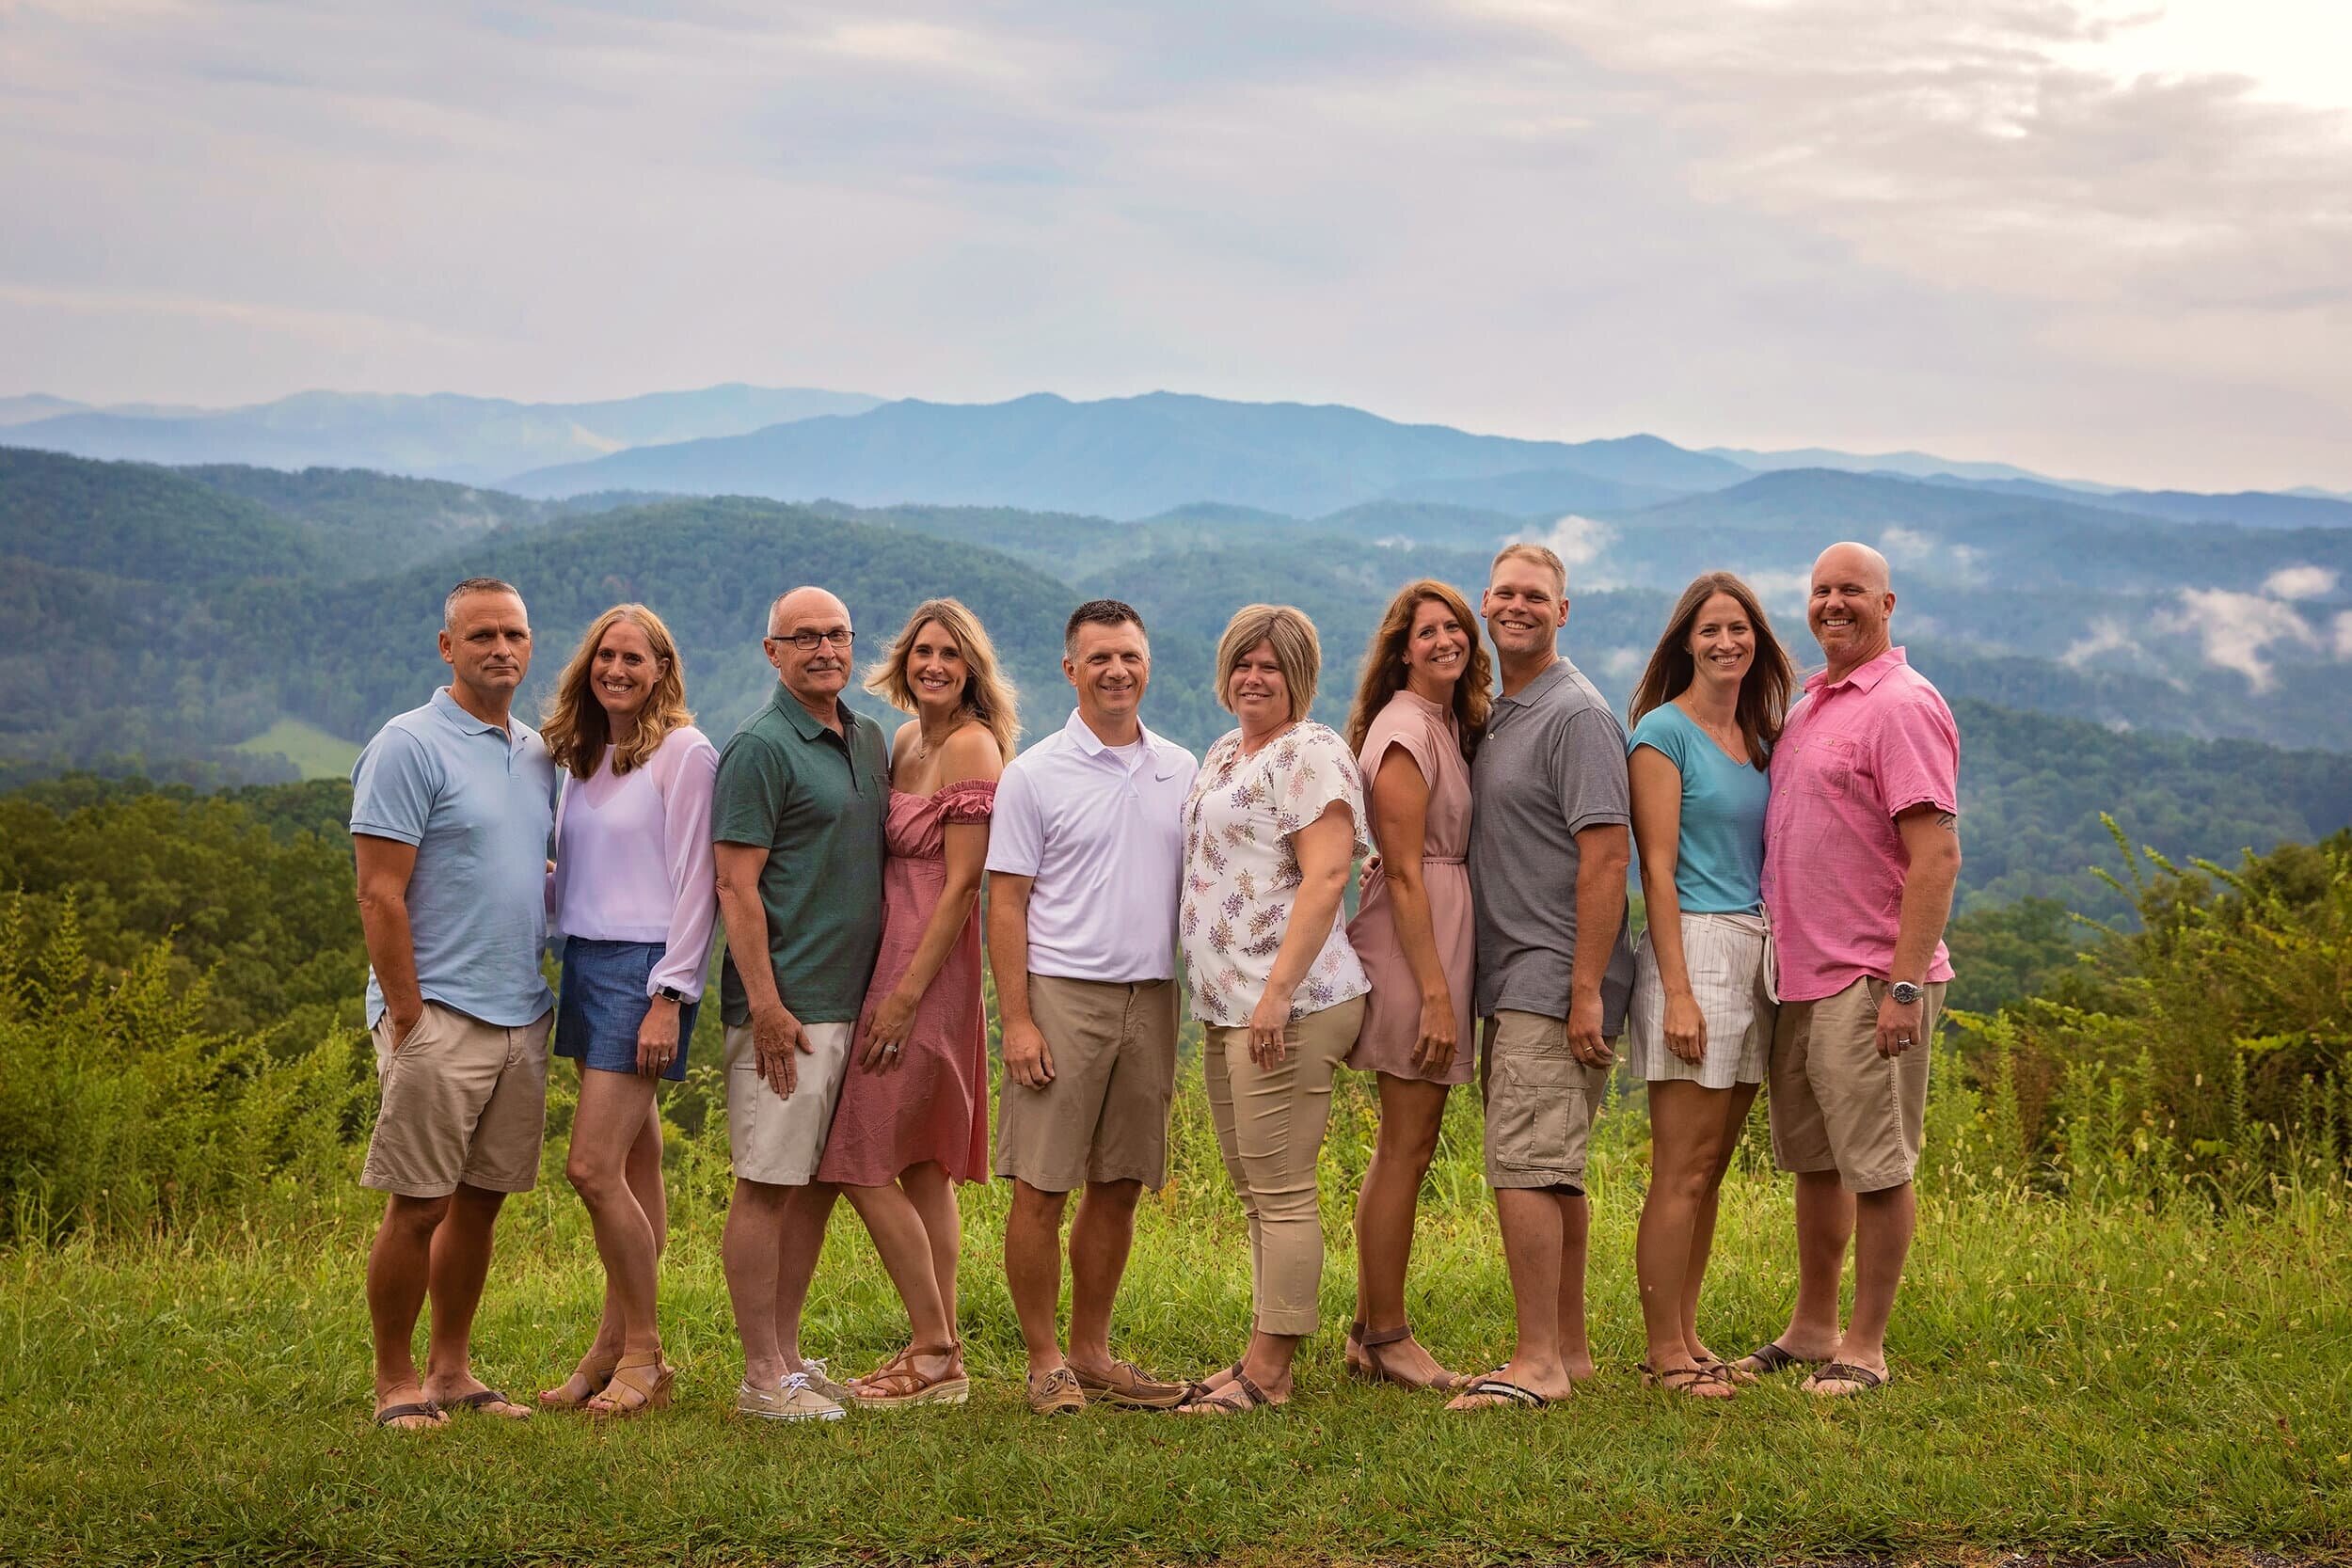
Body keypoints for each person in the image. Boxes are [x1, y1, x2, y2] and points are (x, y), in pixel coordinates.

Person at [1740, 541, 1961, 1397]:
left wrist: (1904, 987)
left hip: (1873, 976)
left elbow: (1936, 854)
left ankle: (1864, 1347)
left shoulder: (1902, 705)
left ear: (1888, 603)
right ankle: (1812, 1327)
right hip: (1803, 974)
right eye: (1822, 590)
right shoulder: (1815, 700)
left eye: (1852, 592)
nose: (1834, 604)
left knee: (1877, 1163)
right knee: (1817, 1161)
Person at [351, 577, 558, 1431]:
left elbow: (520, 867)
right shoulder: (408, 745)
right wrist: (408, 1016)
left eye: (513, 633)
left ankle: (452, 1370)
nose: (499, 649)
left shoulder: (538, 749)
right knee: (420, 1202)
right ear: (448, 648)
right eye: (481, 636)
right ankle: (394, 1380)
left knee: (479, 1201)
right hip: (437, 1008)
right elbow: (378, 894)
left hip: (521, 1008)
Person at [988, 599, 1198, 1417]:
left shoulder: (1181, 768)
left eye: (1131, 656)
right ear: (1071, 668)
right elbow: (1006, 903)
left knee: (1118, 1183)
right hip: (1061, 995)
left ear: (1149, 664)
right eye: (1100, 657)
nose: (1118, 670)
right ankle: (1045, 1361)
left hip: (1153, 996)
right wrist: (1016, 1018)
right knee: (1041, 1186)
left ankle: (1092, 1350)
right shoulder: (1035, 773)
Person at [1449, 543, 1635, 1413]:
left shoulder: (1578, 715)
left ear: (1565, 611)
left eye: (1537, 595)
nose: (1518, 605)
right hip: (1523, 972)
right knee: (1553, 1167)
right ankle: (1570, 1349)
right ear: (1487, 603)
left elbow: (1606, 857)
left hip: (1553, 973)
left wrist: (1585, 988)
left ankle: (1535, 1365)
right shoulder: (1508, 709)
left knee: (1523, 1165)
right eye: (1506, 592)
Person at [818, 599, 1016, 1409]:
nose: (935, 665)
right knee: (924, 1166)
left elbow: (965, 883)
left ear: (971, 667)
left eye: (950, 654)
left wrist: (902, 999)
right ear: (905, 660)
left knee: (858, 1159)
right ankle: (941, 1354)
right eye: (924, 651)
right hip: (886, 954)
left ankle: (934, 1348)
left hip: (924, 970)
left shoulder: (970, 744)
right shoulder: (905, 740)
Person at [1177, 605, 1373, 1416]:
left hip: (1290, 1002)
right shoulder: (1228, 749)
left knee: (1283, 1186)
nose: (1254, 677)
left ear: (1300, 676)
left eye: (1272, 665)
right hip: (1231, 1004)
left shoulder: (1313, 753)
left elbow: (1327, 877)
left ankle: (1272, 1373)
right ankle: (1262, 1349)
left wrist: (1278, 994)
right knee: (1255, 1184)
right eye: (1242, 663)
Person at [535, 604, 719, 1418]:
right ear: (589, 665)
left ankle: (644, 1350)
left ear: (661, 669)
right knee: (634, 1170)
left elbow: (697, 884)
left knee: (591, 1168)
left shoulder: (684, 752)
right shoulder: (583, 757)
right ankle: (609, 1348)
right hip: (585, 960)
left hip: (644, 972)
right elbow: (576, 878)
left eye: (634, 658)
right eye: (606, 655)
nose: (617, 668)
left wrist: (670, 997)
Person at [712, 587, 889, 1423]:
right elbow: (735, 888)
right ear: (772, 650)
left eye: (837, 634)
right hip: (787, 1010)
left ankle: (785, 1354)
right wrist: (767, 1006)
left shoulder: (865, 737)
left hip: (851, 1002)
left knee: (809, 1188)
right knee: (765, 1183)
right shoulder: (758, 748)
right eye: (804, 637)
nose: (824, 648)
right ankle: (758, 1375)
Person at [1623, 573, 1793, 1400]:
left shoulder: (1757, 736)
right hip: (1690, 945)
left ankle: (1689, 1336)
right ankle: (1664, 1354)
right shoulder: (1663, 733)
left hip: (1753, 949)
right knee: (1680, 1167)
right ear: (1685, 641)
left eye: (1739, 628)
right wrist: (1680, 991)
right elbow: (1654, 866)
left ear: (1756, 638)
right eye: (1710, 630)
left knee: (1713, 1167)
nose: (1726, 642)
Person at [1338, 579, 1490, 1392]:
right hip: (1414, 943)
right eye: (1428, 631)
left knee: (1408, 1141)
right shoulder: (1404, 730)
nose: (1445, 641)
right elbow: (1401, 867)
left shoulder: (1442, 722)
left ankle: (1369, 1329)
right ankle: (1389, 1335)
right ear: (1403, 648)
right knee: (1406, 1142)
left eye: (1455, 628)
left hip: (1439, 929)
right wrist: (1435, 992)